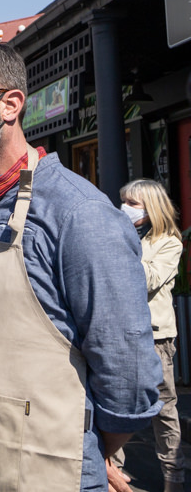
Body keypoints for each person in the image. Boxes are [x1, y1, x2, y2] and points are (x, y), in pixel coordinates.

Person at [0, 41, 162, 492]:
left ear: (10, 105)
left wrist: (86, 447)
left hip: (42, 471)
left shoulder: (78, 214)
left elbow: (129, 373)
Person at [118, 179, 185, 492]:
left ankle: (173, 476)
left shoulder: (169, 241)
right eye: (125, 202)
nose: (126, 209)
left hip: (155, 338)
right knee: (115, 403)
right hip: (119, 333)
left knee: (163, 410)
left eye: (133, 204)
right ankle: (111, 473)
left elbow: (151, 279)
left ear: (151, 208)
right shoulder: (120, 231)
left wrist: (120, 254)